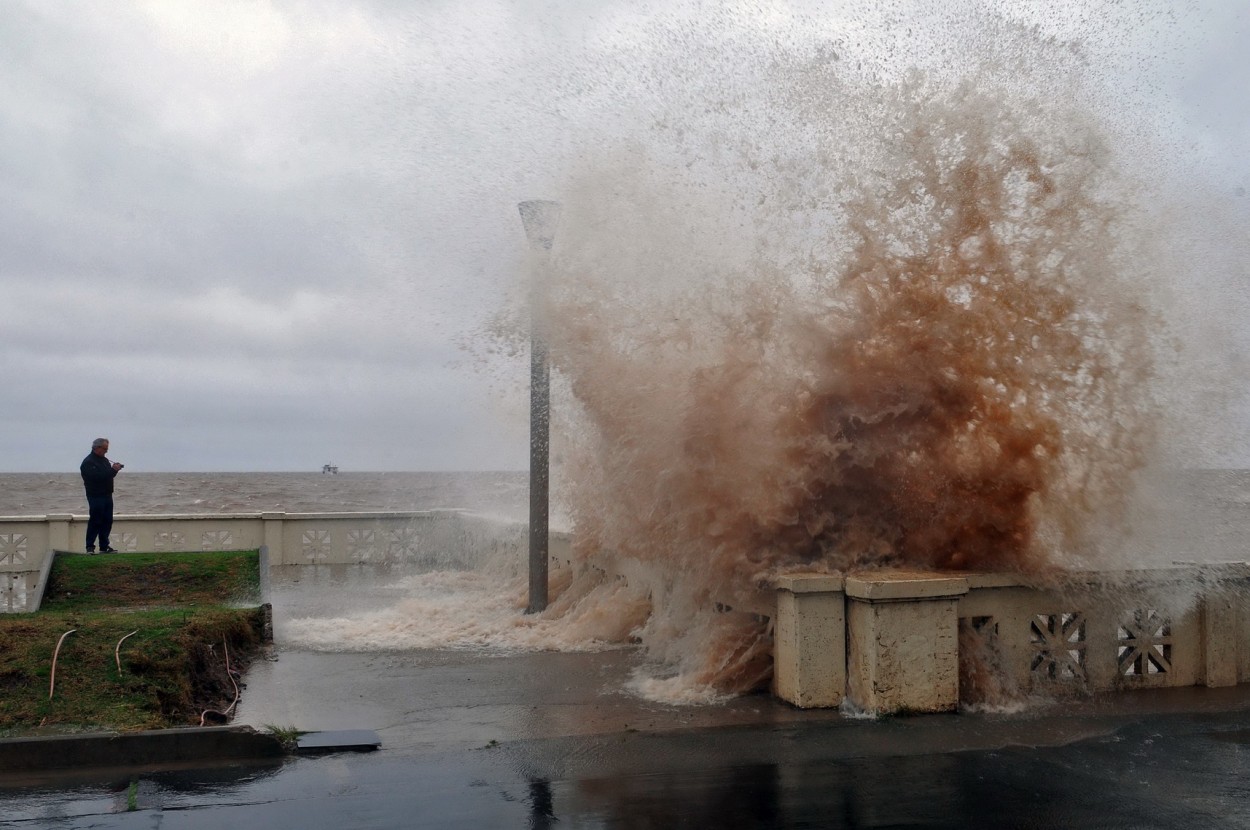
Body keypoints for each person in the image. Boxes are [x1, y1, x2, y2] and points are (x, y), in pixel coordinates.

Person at [80, 438, 123, 554]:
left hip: (107, 495)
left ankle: (104, 546)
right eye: (104, 449)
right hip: (95, 496)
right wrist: (113, 470)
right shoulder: (88, 462)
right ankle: (90, 547)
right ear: (97, 448)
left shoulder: (104, 460)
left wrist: (113, 469)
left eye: (107, 449)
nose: (106, 451)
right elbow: (98, 478)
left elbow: (107, 475)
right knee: (95, 520)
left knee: (107, 521)